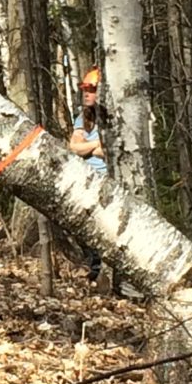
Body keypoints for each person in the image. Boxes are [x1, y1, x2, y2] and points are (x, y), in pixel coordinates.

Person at [68, 66, 107, 282]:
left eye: (91, 89)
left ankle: (101, 268)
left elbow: (108, 152)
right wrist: (96, 145)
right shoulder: (83, 118)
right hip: (86, 178)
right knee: (85, 226)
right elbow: (74, 147)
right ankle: (93, 265)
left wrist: (88, 146)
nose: (87, 93)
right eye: (85, 89)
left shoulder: (110, 117)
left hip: (106, 179)